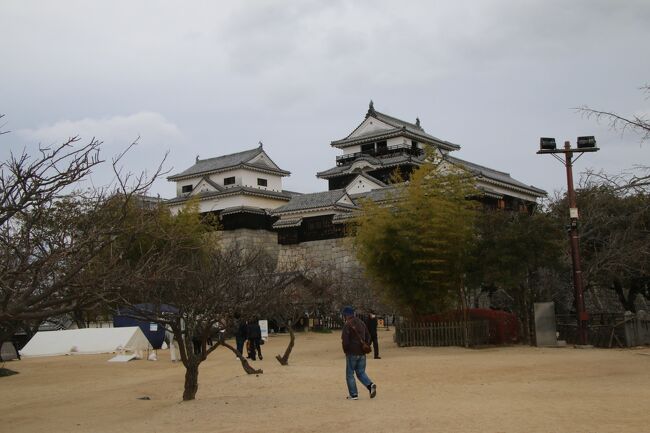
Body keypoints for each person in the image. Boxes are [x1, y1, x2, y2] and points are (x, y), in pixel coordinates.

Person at [341, 306, 377, 400]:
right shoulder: (361, 323)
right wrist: (365, 346)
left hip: (352, 352)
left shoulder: (347, 325)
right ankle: (370, 385)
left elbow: (345, 341)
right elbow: (368, 336)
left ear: (346, 315)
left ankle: (354, 394)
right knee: (361, 372)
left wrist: (346, 350)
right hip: (362, 352)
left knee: (350, 374)